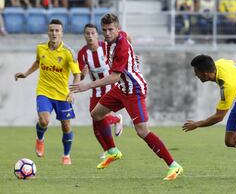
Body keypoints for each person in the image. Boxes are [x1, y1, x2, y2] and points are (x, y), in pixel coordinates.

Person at [70, 13, 183, 181]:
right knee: (96, 114)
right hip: (122, 87)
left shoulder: (121, 45)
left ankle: (173, 165)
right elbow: (130, 36)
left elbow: (114, 77)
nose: (107, 33)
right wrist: (132, 56)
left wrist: (87, 85)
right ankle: (113, 152)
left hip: (134, 89)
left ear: (117, 29)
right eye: (105, 30)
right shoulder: (118, 38)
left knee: (142, 131)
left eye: (111, 30)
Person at [14, 19, 81, 165]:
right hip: (44, 91)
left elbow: (77, 74)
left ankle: (66, 155)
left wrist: (72, 91)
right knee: (44, 121)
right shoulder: (41, 47)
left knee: (66, 126)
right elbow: (38, 62)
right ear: (48, 32)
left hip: (62, 94)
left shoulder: (68, 52)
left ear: (62, 33)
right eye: (51, 30)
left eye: (57, 30)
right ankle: (40, 139)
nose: (54, 33)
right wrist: (26, 74)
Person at [77, 23, 123, 159]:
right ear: (84, 36)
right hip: (96, 90)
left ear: (97, 35)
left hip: (110, 87)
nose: (90, 36)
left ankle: (112, 149)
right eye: (87, 33)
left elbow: (120, 58)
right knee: (95, 122)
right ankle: (108, 149)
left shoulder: (106, 47)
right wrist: (82, 74)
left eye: (93, 33)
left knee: (99, 118)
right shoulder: (82, 53)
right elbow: (79, 76)